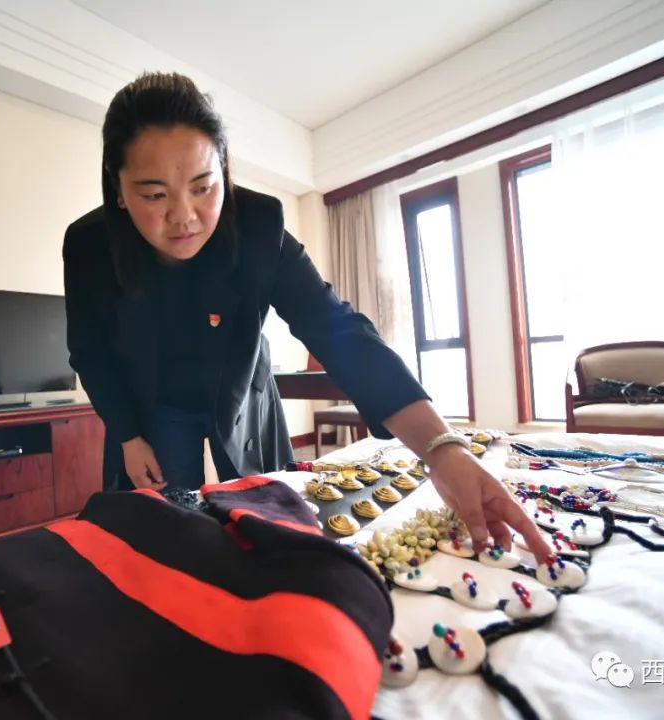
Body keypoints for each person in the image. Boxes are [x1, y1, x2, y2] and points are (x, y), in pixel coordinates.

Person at [63, 72, 549, 561]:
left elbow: (339, 330)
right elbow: (89, 351)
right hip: (153, 397)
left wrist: (442, 448)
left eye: (203, 186)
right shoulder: (89, 247)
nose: (184, 215)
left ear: (224, 172)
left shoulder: (258, 226)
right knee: (161, 533)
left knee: (266, 527)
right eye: (154, 195)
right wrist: (128, 435)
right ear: (118, 189)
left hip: (238, 388)